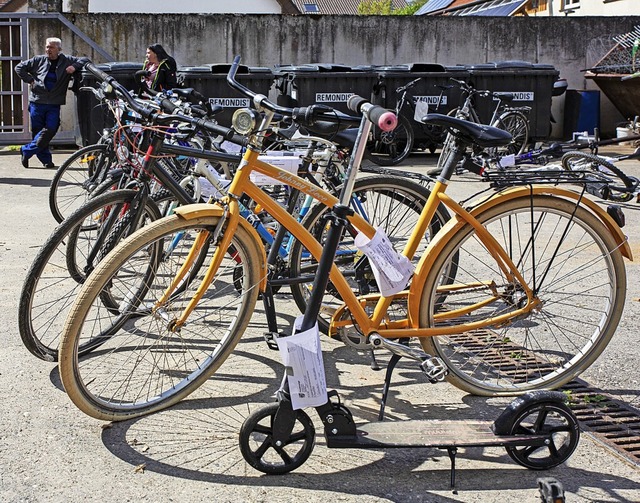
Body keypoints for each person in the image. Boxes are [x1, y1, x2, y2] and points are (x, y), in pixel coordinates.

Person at [15, 37, 88, 169]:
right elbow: (19, 67)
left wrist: (74, 67)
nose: (48, 50)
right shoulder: (38, 60)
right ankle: (45, 159)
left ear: (59, 49)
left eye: (52, 47)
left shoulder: (66, 60)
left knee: (51, 128)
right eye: (47, 47)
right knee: (38, 131)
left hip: (54, 103)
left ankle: (26, 150)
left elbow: (85, 60)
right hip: (37, 101)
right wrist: (30, 80)